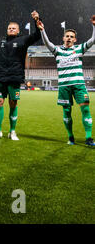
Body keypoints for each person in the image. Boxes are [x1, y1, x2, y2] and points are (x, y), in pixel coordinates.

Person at [0, 13, 41, 140]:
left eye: (13, 28)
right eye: (9, 28)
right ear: (7, 30)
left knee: (13, 104)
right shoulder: (0, 40)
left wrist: (36, 20)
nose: (11, 29)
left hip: (15, 77)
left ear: (18, 31)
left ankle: (12, 131)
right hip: (0, 77)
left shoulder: (23, 40)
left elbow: (37, 35)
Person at [35, 12, 95, 147]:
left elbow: (92, 40)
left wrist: (94, 26)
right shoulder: (57, 51)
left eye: (71, 37)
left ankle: (89, 137)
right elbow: (47, 42)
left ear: (75, 40)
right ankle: (70, 137)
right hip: (64, 86)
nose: (69, 38)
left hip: (79, 85)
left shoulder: (79, 49)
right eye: (67, 36)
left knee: (85, 109)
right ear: (63, 38)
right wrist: (42, 30)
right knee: (67, 111)